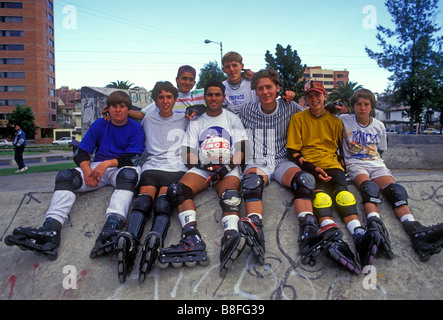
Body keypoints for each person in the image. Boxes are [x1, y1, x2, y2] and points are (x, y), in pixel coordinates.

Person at [5, 91, 145, 261]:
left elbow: (133, 157)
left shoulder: (136, 128)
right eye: (114, 106)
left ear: (128, 109)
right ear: (108, 109)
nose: (118, 110)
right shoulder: (99, 124)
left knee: (129, 175)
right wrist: (87, 172)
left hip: (119, 167)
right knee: (65, 176)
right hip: (95, 168)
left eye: (122, 107)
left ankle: (112, 226)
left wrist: (106, 164)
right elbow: (82, 152)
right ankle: (51, 228)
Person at [340, 88, 443, 262]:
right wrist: (335, 106)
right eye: (358, 104)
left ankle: (414, 228)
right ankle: (374, 224)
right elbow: (323, 113)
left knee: (395, 191)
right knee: (369, 188)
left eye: (366, 104)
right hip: (355, 164)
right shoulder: (344, 120)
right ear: (353, 106)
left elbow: (380, 150)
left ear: (372, 107)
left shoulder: (379, 126)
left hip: (376, 163)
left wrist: (375, 163)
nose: (362, 108)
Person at [159, 80, 248, 275]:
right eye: (210, 95)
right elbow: (186, 153)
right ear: (204, 97)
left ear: (224, 97)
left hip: (227, 167)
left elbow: (242, 149)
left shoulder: (232, 119)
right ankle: (191, 237)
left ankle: (231, 235)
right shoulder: (196, 121)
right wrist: (205, 166)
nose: (214, 98)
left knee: (230, 195)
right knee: (177, 189)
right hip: (203, 167)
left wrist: (224, 169)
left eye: (217, 95)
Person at [286, 80, 373, 274]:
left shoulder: (336, 121)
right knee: (322, 198)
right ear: (305, 99)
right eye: (310, 96)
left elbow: (340, 149)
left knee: (344, 196)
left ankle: (358, 234)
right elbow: (292, 151)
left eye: (318, 95)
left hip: (332, 165)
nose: (314, 99)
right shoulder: (298, 118)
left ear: (325, 96)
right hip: (309, 165)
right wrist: (313, 168)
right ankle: (331, 235)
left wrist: (340, 165)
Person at [115, 81, 190, 283]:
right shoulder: (148, 118)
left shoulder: (185, 118)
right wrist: (113, 108)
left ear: (175, 99)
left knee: (163, 202)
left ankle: (155, 239)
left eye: (169, 97)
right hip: (152, 166)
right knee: (143, 201)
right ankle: (130, 241)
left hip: (175, 167)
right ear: (155, 100)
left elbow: (203, 113)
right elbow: (134, 114)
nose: (165, 101)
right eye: (161, 97)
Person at [128, 65, 205, 120]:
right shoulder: (168, 97)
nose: (187, 82)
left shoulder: (202, 94)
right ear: (177, 80)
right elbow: (142, 115)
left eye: (191, 80)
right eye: (184, 78)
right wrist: (122, 111)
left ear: (194, 83)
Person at [221, 52, 295, 107]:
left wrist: (286, 95)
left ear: (242, 66)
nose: (231, 69)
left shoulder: (254, 83)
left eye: (234, 65)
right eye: (228, 67)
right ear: (223, 70)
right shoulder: (221, 87)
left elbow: (271, 95)